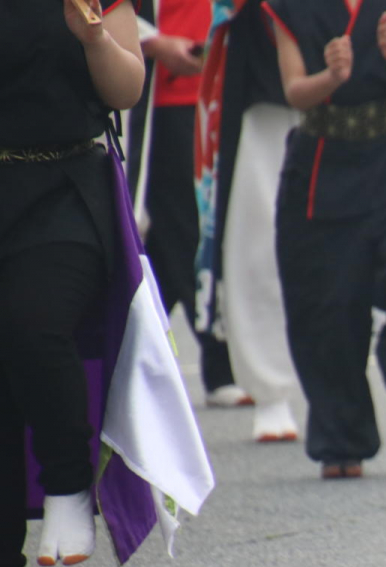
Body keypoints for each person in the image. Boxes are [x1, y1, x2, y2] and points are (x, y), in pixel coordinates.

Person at [263, 0, 386, 479]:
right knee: (328, 308)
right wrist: (331, 77)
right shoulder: (291, 6)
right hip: (321, 165)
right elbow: (295, 92)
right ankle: (342, 438)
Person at [0, 0, 145, 567]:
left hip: (67, 187)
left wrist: (93, 40)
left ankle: (68, 483)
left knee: (34, 324)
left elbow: (127, 89)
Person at [126, 0, 252, 413]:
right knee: (189, 231)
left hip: (223, 93)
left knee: (171, 245)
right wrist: (154, 42)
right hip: (167, 99)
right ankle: (219, 362)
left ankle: (125, 353)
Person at [195, 0, 304, 444]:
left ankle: (340, 390)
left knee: (351, 252)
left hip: (354, 91)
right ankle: (271, 392)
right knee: (258, 248)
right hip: (263, 92)